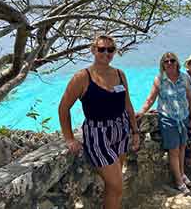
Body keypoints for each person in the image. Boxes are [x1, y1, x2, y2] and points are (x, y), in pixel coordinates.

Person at [58, 34, 140, 209]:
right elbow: (63, 108)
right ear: (93, 50)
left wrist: (135, 132)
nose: (106, 53)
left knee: (113, 187)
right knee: (117, 184)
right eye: (101, 49)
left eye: (110, 50)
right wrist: (69, 138)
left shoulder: (120, 74)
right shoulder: (82, 77)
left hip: (121, 131)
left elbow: (128, 104)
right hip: (97, 135)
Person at [137, 52, 191, 194]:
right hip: (168, 119)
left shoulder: (184, 77)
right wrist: (141, 111)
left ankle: (182, 173)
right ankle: (178, 181)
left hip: (183, 118)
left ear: (177, 62)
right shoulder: (159, 79)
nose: (169, 63)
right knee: (174, 150)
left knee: (182, 148)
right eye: (166, 61)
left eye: (172, 60)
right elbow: (150, 99)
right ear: (162, 64)